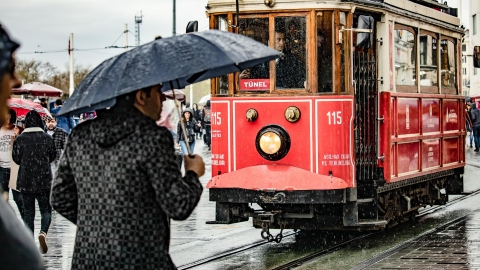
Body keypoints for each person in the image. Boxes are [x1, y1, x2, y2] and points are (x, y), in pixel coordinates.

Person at [51, 84, 205, 269]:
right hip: (142, 259)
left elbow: (60, 197)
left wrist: (99, 226)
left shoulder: (80, 136)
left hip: (88, 260)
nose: (163, 99)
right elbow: (178, 205)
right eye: (158, 92)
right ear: (141, 96)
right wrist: (192, 174)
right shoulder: (152, 138)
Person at [0, 23, 45, 270]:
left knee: (23, 208)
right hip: (23, 175)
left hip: (18, 176)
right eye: (9, 69)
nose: (16, 79)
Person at [12, 110, 56, 254]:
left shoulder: (20, 139)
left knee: (29, 214)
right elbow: (52, 156)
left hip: (26, 181)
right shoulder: (47, 138)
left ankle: (29, 244)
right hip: (44, 180)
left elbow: (16, 159)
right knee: (46, 211)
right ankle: (43, 232)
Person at [0, 109, 15, 200]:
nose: (7, 121)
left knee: (19, 198)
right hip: (2, 168)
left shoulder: (17, 130)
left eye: (9, 118)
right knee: (3, 197)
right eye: (5, 118)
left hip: (14, 168)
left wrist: (17, 136)